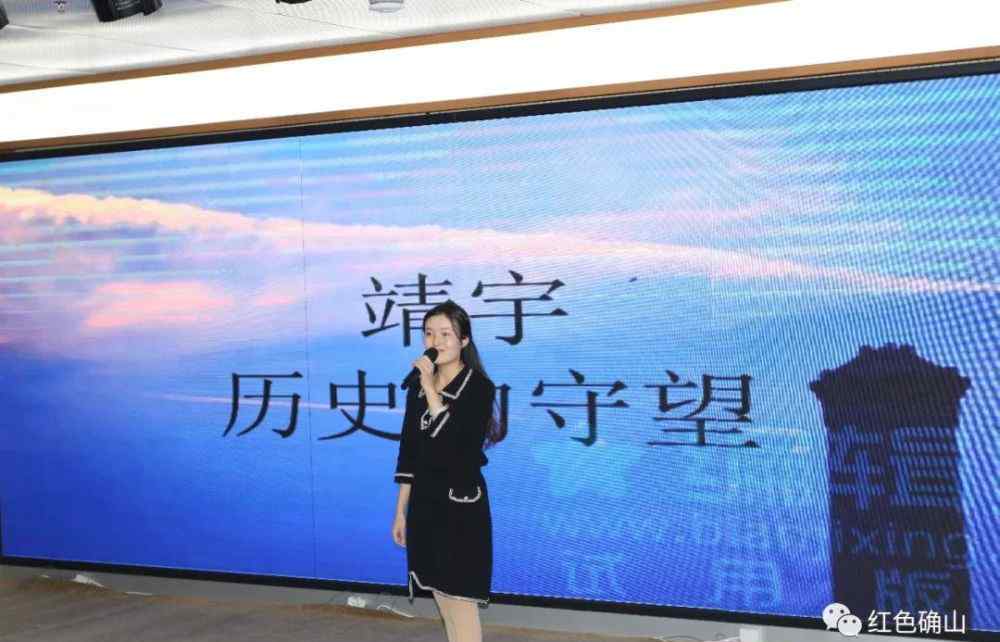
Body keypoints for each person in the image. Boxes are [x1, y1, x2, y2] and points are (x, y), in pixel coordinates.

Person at [391, 300, 506, 642]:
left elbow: (458, 445)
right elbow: (409, 452)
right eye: (429, 334)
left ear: (464, 340)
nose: (436, 342)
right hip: (425, 504)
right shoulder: (417, 389)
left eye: (445, 334)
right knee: (442, 597)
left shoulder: (479, 388)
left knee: (460, 600)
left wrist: (430, 389)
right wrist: (401, 511)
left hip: (460, 504)